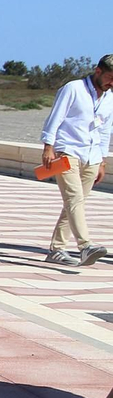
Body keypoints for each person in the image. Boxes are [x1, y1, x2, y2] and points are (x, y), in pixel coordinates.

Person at [41, 55, 113, 267]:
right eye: (110, 77)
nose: (112, 83)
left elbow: (105, 130)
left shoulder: (109, 97)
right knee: (74, 199)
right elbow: (55, 117)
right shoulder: (73, 89)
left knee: (75, 203)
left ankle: (57, 249)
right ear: (98, 71)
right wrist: (48, 146)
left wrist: (102, 161)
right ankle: (85, 246)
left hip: (91, 156)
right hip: (67, 152)